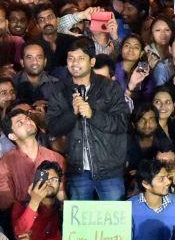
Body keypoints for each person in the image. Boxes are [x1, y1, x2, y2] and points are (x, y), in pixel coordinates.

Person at [46, 38, 129, 200]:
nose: (74, 63)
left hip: (109, 170)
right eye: (70, 58)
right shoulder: (60, 90)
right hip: (77, 170)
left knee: (112, 223)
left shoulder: (110, 87)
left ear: (92, 61)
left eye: (80, 58)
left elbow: (122, 123)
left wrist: (93, 115)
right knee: (80, 224)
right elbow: (52, 127)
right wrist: (72, 112)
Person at [0, 107, 65, 212]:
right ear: (12, 136)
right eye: (20, 123)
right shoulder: (4, 164)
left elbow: (63, 196)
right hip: (21, 217)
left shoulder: (56, 157)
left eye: (28, 119)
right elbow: (6, 204)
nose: (28, 122)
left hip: (53, 216)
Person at [129, 159, 175, 240]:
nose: (168, 182)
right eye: (161, 179)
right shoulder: (129, 206)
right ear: (146, 184)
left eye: (167, 177)